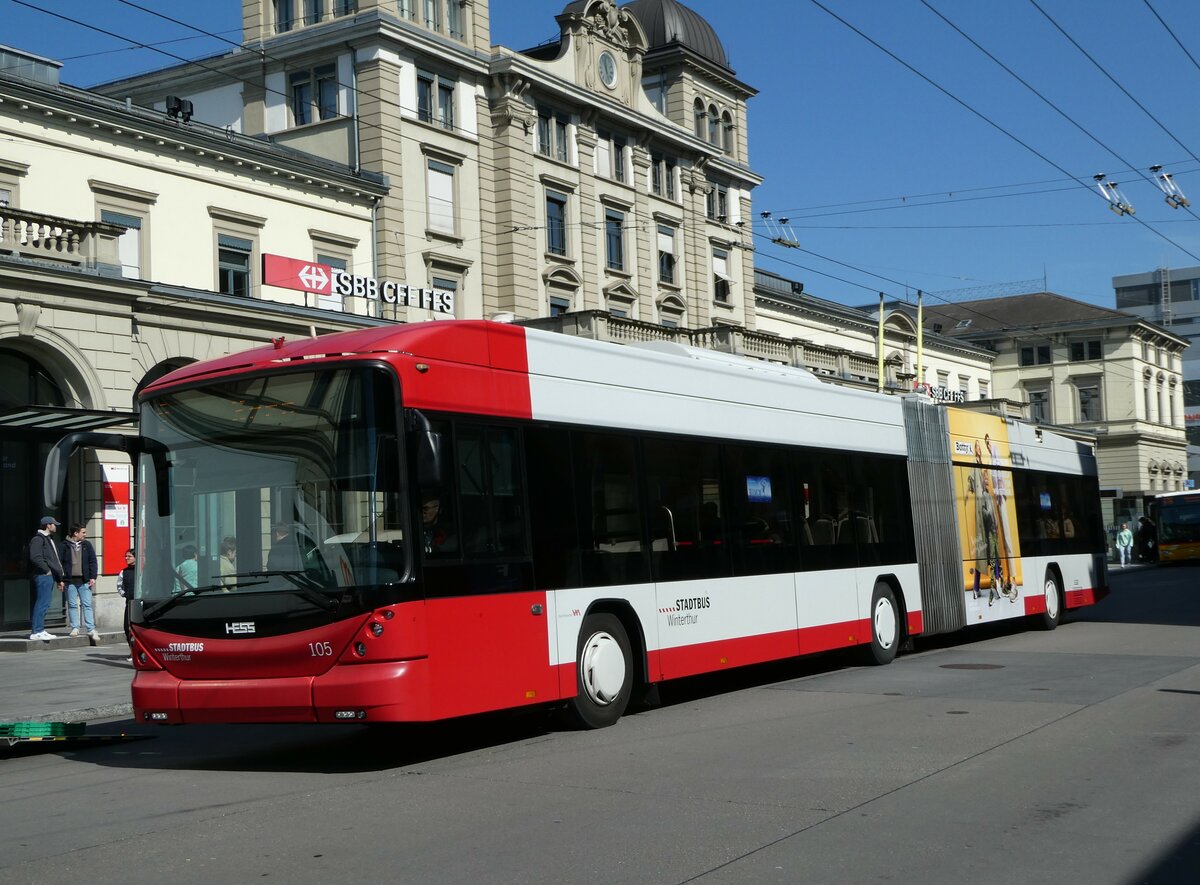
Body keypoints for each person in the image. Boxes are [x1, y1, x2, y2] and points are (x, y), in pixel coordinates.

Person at [27, 516, 65, 641]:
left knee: (45, 603)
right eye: (54, 524)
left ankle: (40, 629)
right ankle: (37, 630)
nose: (55, 526)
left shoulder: (48, 539)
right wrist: (47, 570)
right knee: (42, 603)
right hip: (43, 576)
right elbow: (35, 557)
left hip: (48, 576)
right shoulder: (38, 539)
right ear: (48, 525)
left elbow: (54, 560)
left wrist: (59, 579)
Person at [62, 521, 100, 642]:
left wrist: (93, 577)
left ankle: (90, 628)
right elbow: (60, 563)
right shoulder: (64, 545)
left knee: (87, 604)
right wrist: (61, 579)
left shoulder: (87, 545)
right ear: (75, 533)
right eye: (83, 532)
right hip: (70, 581)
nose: (85, 534)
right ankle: (75, 627)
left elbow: (93, 561)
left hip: (84, 580)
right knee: (72, 605)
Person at [116, 547, 135, 656]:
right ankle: (132, 651)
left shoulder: (142, 570)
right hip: (129, 602)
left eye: (129, 556)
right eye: (126, 556)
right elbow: (119, 586)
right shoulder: (124, 572)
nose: (126, 558)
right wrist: (125, 594)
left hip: (140, 603)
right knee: (127, 627)